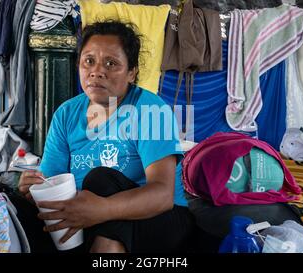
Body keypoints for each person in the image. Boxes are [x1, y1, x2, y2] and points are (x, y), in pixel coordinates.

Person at [18, 21, 194, 253]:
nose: (97, 71)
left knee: (100, 180)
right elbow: (54, 184)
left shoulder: (150, 110)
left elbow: (162, 196)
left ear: (132, 73)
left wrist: (102, 209)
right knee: (17, 212)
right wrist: (35, 190)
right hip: (86, 218)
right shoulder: (66, 113)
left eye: (111, 64)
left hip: (160, 218)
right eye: (89, 61)